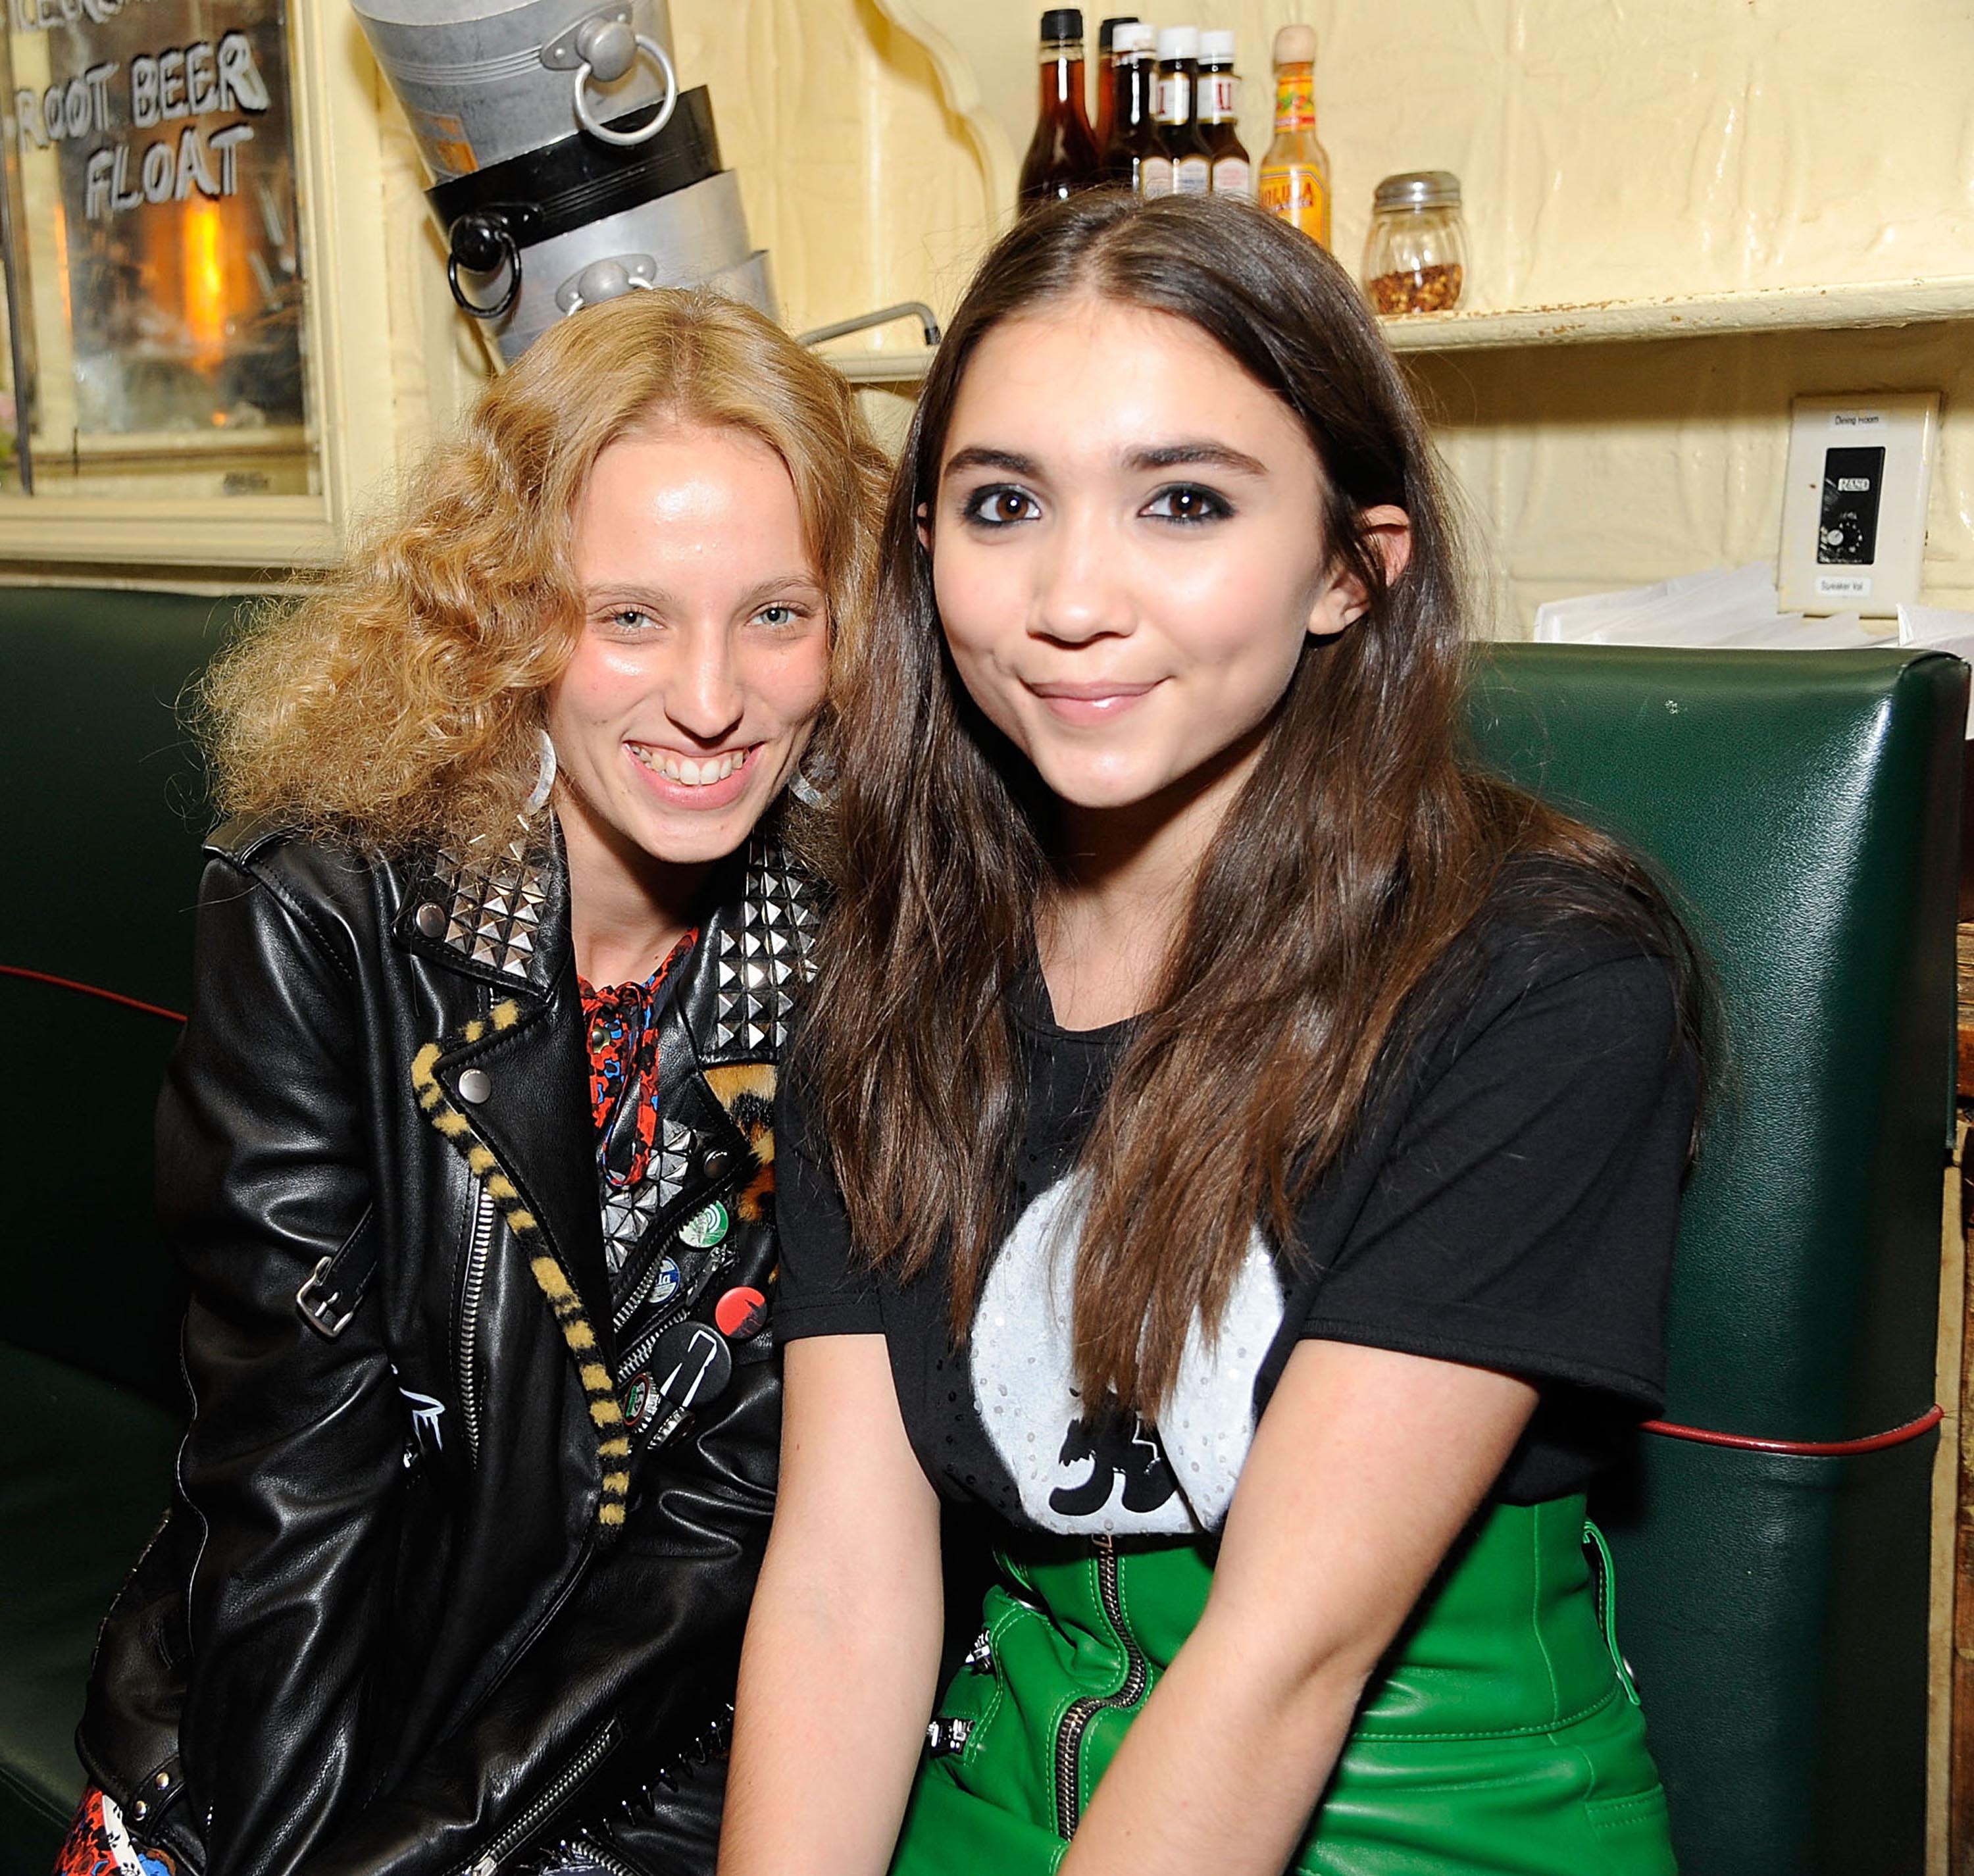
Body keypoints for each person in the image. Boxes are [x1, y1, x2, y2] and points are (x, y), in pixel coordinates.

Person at [720, 191, 1702, 1876]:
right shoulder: (895, 986)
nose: (1071, 596)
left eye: (1183, 502)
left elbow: (1280, 1662)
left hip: (1421, 1826)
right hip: (1002, 1806)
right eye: (1004, 503)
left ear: (1349, 569)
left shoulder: (1538, 978)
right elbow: (839, 1595)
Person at [61, 287, 886, 1876]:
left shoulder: (878, 951)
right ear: (509, 611)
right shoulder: (325, 905)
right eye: (629, 615)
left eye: (776, 616)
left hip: (630, 1761)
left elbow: (720, 1534)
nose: (712, 701)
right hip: (272, 1720)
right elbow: (296, 1469)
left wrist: (434, 1855)